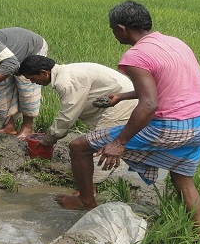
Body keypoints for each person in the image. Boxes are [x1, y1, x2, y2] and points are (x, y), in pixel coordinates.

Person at [54, 1, 200, 239]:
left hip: (170, 126)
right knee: (184, 182)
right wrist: (122, 96)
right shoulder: (175, 43)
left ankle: (86, 200)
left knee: (79, 147)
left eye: (112, 29)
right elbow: (164, 86)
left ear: (121, 28)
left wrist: (120, 142)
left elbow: (150, 104)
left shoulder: (136, 55)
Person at [18, 55, 138, 194]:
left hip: (123, 101)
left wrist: (48, 139)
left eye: (32, 78)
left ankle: (88, 191)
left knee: (102, 143)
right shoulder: (66, 73)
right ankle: (109, 172)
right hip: (119, 98)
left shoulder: (65, 81)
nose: (33, 82)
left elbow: (67, 116)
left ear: (44, 73)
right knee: (107, 139)